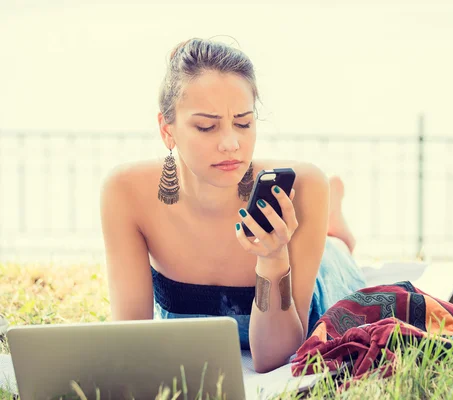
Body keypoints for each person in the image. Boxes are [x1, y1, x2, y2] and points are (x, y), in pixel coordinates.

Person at [99, 38, 366, 373]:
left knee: (336, 249)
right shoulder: (126, 193)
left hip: (320, 278)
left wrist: (272, 258)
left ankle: (334, 227)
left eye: (243, 123)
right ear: (167, 131)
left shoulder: (305, 185)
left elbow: (273, 359)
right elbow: (131, 343)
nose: (231, 144)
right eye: (206, 126)